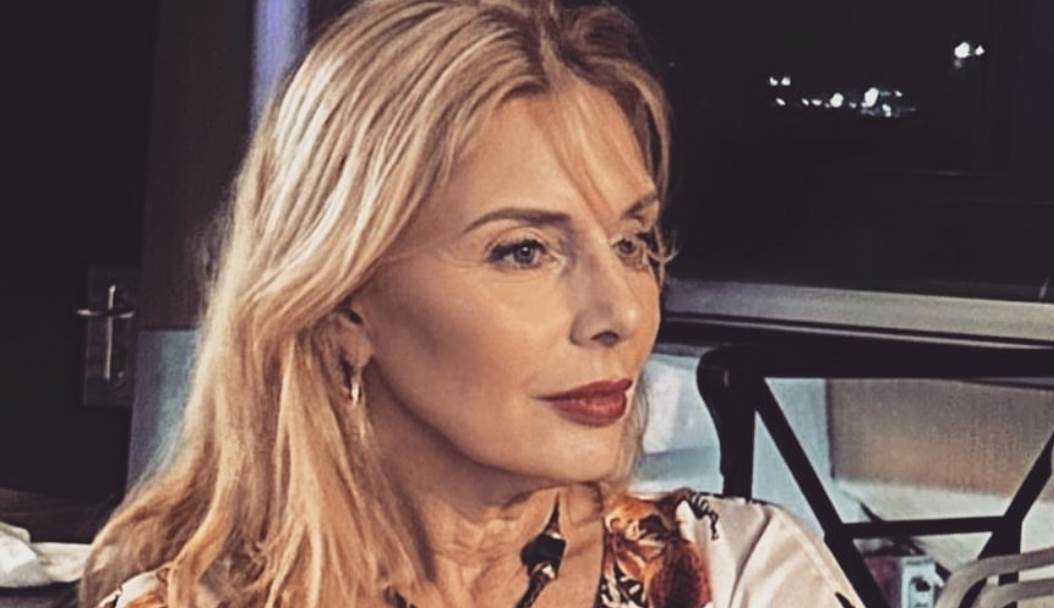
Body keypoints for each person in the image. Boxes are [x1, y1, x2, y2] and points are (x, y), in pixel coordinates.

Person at [80, 0, 863, 606]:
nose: (620, 315)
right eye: (524, 250)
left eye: (631, 243)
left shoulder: (738, 575)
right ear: (345, 303)